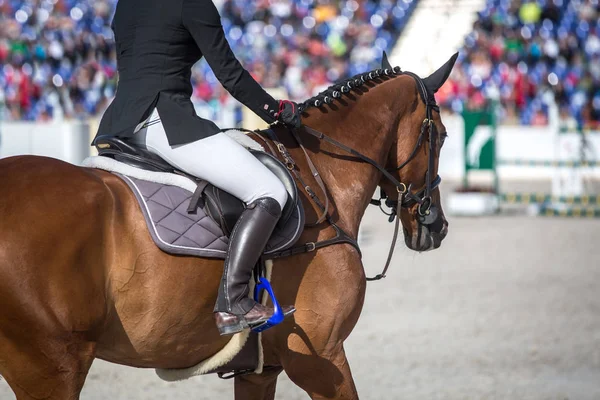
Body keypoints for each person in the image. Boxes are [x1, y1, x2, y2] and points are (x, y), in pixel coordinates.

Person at [93, 0, 300, 335]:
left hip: (119, 124)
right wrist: (276, 112)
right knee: (269, 191)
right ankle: (234, 302)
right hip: (165, 121)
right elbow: (230, 74)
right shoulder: (193, 4)